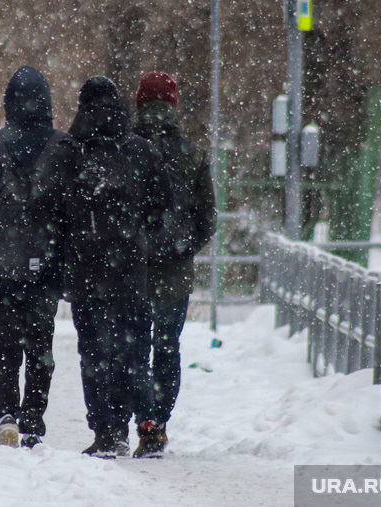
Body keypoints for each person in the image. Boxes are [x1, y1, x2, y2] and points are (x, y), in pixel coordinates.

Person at [0, 66, 71, 449]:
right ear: (47, 102)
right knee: (41, 347)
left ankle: (7, 413)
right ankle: (34, 421)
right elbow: (76, 207)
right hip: (47, 267)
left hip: (2, 265)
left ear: (8, 102)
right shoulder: (64, 147)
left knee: (4, 345)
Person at [61, 76, 175, 458]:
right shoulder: (142, 150)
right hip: (131, 266)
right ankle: (147, 426)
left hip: (86, 266)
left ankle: (107, 432)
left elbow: (54, 209)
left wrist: (73, 242)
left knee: (94, 351)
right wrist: (141, 235)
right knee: (133, 350)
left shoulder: (70, 150)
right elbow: (163, 205)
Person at [130, 71, 218, 457]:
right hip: (174, 274)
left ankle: (144, 419)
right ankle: (159, 424)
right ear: (174, 105)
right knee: (167, 347)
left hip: (131, 270)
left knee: (134, 349)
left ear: (138, 104)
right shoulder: (194, 154)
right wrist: (182, 249)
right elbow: (207, 220)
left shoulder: (125, 149)